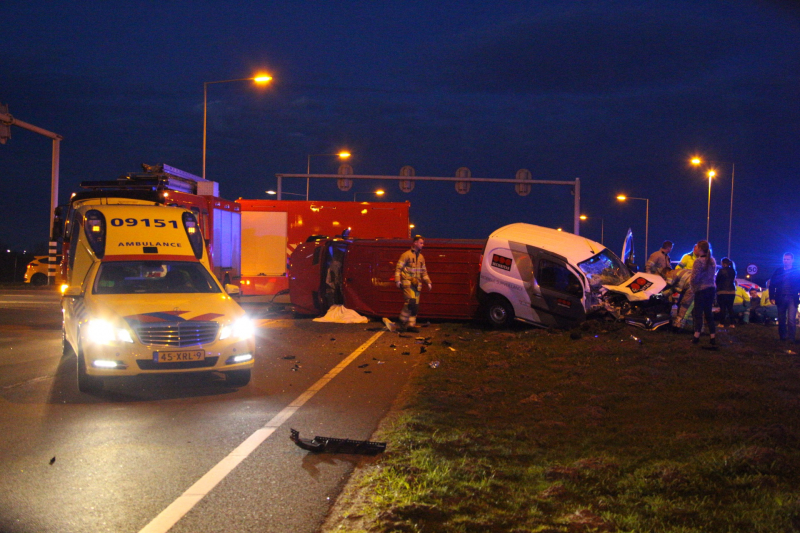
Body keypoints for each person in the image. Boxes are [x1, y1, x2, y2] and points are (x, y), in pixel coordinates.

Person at [383, 235, 432, 333]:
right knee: (411, 302)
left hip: (417, 284)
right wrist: (397, 281)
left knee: (415, 306)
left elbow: (424, 272)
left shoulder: (421, 257)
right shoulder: (406, 255)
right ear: (415, 243)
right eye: (421, 243)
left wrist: (428, 282)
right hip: (407, 283)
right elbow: (398, 268)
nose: (423, 245)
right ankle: (401, 322)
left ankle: (410, 325)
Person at [769, 252, 800, 342]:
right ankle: (783, 337)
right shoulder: (778, 271)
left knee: (791, 319)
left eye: (788, 259)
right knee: (781, 319)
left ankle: (791, 338)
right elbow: (772, 284)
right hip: (781, 297)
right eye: (785, 259)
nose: (786, 261)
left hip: (792, 298)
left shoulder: (796, 271)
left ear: (792, 260)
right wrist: (772, 297)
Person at [690, 240, 717, 345]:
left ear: (700, 249)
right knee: (708, 313)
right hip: (711, 289)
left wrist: (693, 287)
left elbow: (694, 277)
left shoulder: (698, 261)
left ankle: (696, 336)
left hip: (701, 289)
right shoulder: (712, 261)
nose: (695, 249)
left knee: (698, 314)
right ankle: (712, 337)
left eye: (696, 247)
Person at [715, 257, 737, 328]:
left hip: (722, 291)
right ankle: (732, 324)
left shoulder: (721, 271)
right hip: (732, 291)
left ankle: (722, 323)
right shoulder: (733, 271)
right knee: (730, 307)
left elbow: (717, 280)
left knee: (723, 308)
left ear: (723, 263)